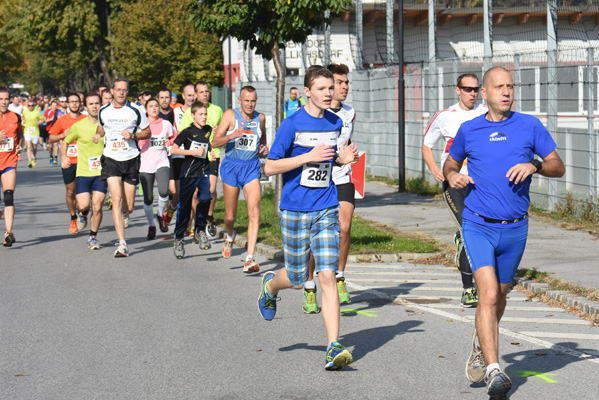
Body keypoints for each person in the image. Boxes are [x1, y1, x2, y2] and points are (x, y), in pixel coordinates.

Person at [444, 66, 565, 399]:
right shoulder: (470, 129)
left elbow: (558, 164)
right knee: (488, 295)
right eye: (499, 86)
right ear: (484, 94)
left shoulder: (529, 126)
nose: (507, 91)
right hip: (478, 224)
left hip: (515, 229)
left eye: (510, 86)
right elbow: (450, 164)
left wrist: (535, 165)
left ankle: (481, 341)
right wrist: (453, 176)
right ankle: (495, 370)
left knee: (500, 296)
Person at [259, 65, 358, 370]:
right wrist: (307, 156)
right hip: (294, 209)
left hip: (326, 205)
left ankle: (333, 346)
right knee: (299, 278)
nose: (329, 93)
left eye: (331, 88)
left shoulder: (335, 122)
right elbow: (270, 167)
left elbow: (331, 158)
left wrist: (342, 158)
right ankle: (270, 287)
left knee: (326, 275)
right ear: (307, 92)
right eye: (322, 89)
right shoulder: (292, 125)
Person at [422, 73, 487, 308]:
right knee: (470, 229)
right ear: (457, 90)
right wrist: (434, 169)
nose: (472, 93)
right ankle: (468, 289)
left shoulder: (486, 113)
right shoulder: (444, 117)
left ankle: (484, 277)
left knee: (479, 231)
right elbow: (427, 145)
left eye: (475, 89)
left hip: (482, 184)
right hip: (454, 183)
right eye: (467, 89)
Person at [302, 63, 358, 314]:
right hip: (319, 178)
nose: (344, 87)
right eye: (339, 83)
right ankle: (309, 285)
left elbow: (345, 141)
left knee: (345, 228)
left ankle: (340, 277)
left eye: (346, 83)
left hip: (342, 175)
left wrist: (348, 155)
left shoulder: (350, 113)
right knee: (318, 238)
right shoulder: (316, 116)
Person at [211, 86, 267, 273]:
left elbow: (262, 139)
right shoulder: (230, 115)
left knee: (254, 212)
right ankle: (230, 235)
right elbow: (214, 142)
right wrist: (231, 136)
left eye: (253, 100)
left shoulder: (260, 118)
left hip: (251, 168)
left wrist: (263, 148)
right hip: (232, 167)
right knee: (229, 216)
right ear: (240, 101)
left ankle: (249, 258)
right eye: (247, 101)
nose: (250, 104)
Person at [94, 77, 151, 257]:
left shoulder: (136, 109)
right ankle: (122, 243)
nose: (121, 92)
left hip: (131, 158)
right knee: (116, 198)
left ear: (127, 91)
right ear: (112, 91)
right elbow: (103, 127)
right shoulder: (103, 110)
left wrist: (133, 135)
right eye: (118, 89)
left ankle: (126, 212)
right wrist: (97, 134)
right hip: (111, 158)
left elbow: (148, 132)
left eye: (124, 90)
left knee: (129, 203)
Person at [178, 81, 223, 237]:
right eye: (201, 92)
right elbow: (182, 133)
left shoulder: (217, 110)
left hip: (212, 155)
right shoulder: (189, 112)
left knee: (210, 189)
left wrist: (219, 131)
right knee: (197, 193)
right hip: (195, 156)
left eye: (207, 91)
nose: (205, 94)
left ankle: (209, 217)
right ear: (195, 94)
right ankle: (199, 223)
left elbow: (224, 130)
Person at [171, 101, 213, 258]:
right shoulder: (187, 132)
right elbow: (173, 149)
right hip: (188, 172)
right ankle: (179, 238)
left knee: (205, 198)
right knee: (185, 207)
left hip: (203, 170)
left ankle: (200, 230)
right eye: (200, 114)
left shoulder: (208, 130)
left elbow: (207, 142)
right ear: (193, 115)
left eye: (205, 114)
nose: (204, 117)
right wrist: (192, 151)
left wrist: (211, 153)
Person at [65, 93, 107, 249]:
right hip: (83, 172)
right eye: (91, 104)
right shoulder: (79, 126)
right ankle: (82, 214)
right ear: (85, 106)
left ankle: (93, 237)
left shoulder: (107, 125)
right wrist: (64, 157)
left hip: (101, 173)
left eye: (97, 103)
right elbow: (66, 141)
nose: (94, 106)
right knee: (83, 206)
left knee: (97, 206)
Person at [49, 93, 86, 234]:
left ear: (80, 103)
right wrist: (62, 135)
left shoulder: (87, 119)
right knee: (71, 192)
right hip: (69, 161)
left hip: (84, 161)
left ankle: (83, 212)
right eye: (72, 102)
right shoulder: (62, 120)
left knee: (84, 192)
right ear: (67, 104)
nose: (74, 104)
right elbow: (51, 138)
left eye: (77, 101)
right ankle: (73, 217)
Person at [138, 98, 172, 239]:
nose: (154, 108)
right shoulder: (141, 126)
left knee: (164, 191)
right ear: (146, 109)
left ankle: (160, 215)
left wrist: (169, 141)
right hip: (145, 163)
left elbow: (174, 138)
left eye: (156, 106)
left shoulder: (166, 124)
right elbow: (136, 141)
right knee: (148, 198)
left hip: (162, 160)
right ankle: (151, 225)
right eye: (151, 106)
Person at [0, 87, 23, 247]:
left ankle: (8, 232)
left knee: (8, 197)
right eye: (1, 99)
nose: (4, 102)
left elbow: (19, 134)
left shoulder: (15, 116)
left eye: (6, 99)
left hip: (9, 161)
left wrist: (20, 146)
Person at [21, 99, 44, 168]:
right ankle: (29, 161)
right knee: (28, 146)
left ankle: (34, 157)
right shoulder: (24, 112)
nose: (31, 107)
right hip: (27, 131)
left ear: (34, 106)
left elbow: (43, 119)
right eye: (29, 106)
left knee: (34, 147)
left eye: (32, 106)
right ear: (27, 106)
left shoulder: (37, 112)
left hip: (35, 132)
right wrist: (23, 121)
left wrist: (40, 122)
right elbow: (22, 118)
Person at [43, 99, 60, 165]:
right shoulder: (47, 111)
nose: (55, 107)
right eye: (53, 105)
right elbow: (45, 121)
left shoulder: (58, 111)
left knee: (56, 144)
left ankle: (55, 157)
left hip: (56, 130)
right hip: (49, 130)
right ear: (51, 106)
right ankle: (51, 156)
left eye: (56, 105)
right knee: (50, 146)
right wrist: (51, 119)